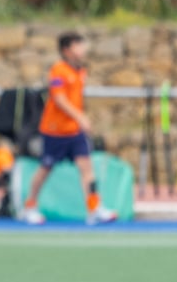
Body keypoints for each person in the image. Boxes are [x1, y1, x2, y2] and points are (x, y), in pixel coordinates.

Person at [18, 32, 117, 226]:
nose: (83, 49)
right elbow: (59, 98)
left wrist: (80, 121)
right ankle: (29, 206)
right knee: (45, 169)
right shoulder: (58, 70)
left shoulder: (80, 71)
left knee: (86, 168)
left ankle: (94, 208)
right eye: (77, 45)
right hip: (55, 131)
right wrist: (80, 117)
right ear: (66, 50)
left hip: (75, 132)